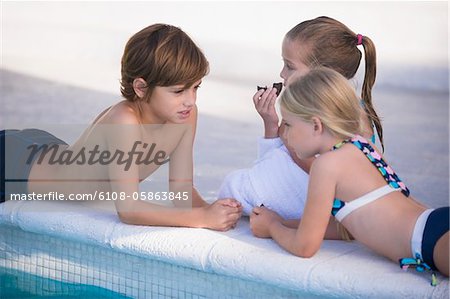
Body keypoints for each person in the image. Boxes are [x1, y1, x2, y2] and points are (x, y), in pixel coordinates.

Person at [0, 23, 242, 231]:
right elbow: (128, 209)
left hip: (47, 149)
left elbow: (181, 188)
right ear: (141, 87)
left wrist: (212, 211)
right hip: (14, 164)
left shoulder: (185, 115)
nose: (190, 100)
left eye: (196, 87)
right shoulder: (124, 120)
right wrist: (201, 218)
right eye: (178, 91)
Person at [250, 67, 449, 284]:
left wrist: (272, 227)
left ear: (316, 125)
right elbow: (348, 228)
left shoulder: (326, 166)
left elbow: (305, 246)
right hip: (436, 223)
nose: (284, 133)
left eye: (288, 124)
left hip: (430, 241)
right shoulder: (360, 145)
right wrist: (286, 223)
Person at [218, 16, 381, 224]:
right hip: (302, 190)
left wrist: (289, 147)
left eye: (290, 66)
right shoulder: (304, 104)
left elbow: (338, 175)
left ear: (325, 73)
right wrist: (270, 123)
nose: (282, 73)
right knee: (239, 181)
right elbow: (273, 160)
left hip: (321, 200)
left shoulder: (351, 116)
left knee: (234, 185)